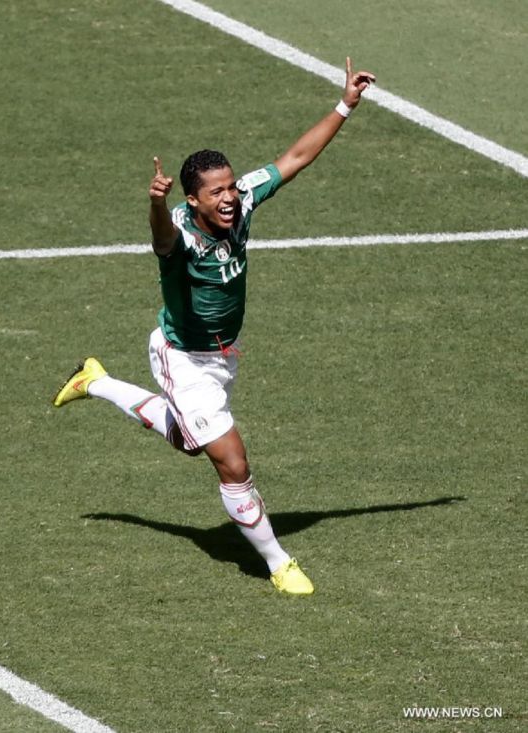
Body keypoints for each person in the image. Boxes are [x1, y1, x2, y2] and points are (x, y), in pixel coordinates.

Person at [53, 57, 375, 595]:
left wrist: (345, 104)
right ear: (192, 200)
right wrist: (155, 205)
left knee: (187, 440)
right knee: (231, 460)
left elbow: (294, 159)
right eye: (216, 192)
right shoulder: (180, 233)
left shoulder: (242, 200)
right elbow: (161, 242)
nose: (229, 198)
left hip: (224, 353)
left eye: (230, 187)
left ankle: (96, 380)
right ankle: (279, 564)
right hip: (183, 356)